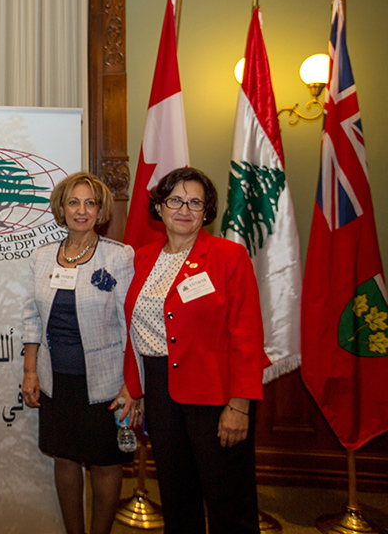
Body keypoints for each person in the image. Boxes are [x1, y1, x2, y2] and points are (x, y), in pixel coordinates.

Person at [118, 167, 264, 534]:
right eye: (175, 201)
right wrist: (135, 387)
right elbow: (135, 327)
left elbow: (247, 335)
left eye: (195, 202)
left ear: (206, 211)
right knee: (176, 495)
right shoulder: (143, 258)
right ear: (160, 207)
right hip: (160, 392)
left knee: (228, 499)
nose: (184, 209)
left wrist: (240, 405)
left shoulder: (229, 256)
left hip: (215, 395)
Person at [21, 172, 134, 534]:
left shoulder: (118, 257)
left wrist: (132, 386)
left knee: (105, 463)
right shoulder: (42, 257)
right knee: (65, 459)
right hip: (56, 381)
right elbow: (32, 317)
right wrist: (30, 370)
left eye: (90, 203)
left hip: (105, 384)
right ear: (62, 208)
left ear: (100, 210)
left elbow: (130, 325)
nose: (81, 211)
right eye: (73, 202)